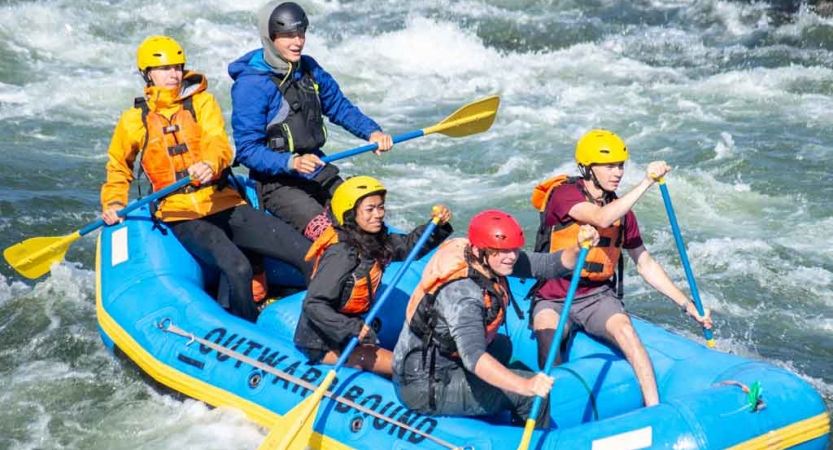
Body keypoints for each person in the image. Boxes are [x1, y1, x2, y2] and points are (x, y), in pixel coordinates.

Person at [100, 35, 312, 323]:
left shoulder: (202, 103)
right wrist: (113, 202)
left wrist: (210, 164)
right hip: (182, 213)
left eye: (177, 67)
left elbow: (218, 142)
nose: (173, 75)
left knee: (305, 253)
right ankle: (247, 328)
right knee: (238, 268)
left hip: (222, 201)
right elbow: (118, 166)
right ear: (147, 74)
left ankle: (323, 322)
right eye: (164, 69)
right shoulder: (133, 120)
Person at [528, 129, 713, 407]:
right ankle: (551, 410)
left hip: (596, 296)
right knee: (546, 331)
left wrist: (687, 305)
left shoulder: (623, 212)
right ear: (588, 169)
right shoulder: (564, 195)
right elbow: (601, 218)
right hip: (554, 295)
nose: (618, 172)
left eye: (621, 165)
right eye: (610, 166)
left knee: (626, 331)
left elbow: (645, 263)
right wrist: (647, 182)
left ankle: (654, 408)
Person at [392, 210, 599, 426]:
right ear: (478, 250)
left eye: (514, 250)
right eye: (503, 251)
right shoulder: (464, 295)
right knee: (532, 397)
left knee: (503, 346)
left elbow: (549, 265)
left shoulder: (489, 259)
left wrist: (578, 247)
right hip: (424, 385)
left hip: (443, 359)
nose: (511, 256)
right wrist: (525, 386)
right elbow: (475, 358)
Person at [228, 1, 394, 242]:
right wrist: (291, 162)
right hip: (277, 184)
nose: (298, 42)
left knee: (364, 218)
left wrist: (372, 133)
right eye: (288, 36)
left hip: (317, 169)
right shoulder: (251, 85)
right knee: (331, 237)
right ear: (270, 37)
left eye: (301, 33)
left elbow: (339, 107)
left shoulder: (309, 68)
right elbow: (247, 150)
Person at [294, 176, 453, 376]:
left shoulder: (373, 241)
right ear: (351, 213)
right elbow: (314, 304)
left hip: (348, 331)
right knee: (408, 368)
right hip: (322, 342)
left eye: (381, 207)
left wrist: (435, 227)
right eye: (370, 209)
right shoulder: (341, 253)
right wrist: (351, 328)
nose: (378, 214)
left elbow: (407, 247)